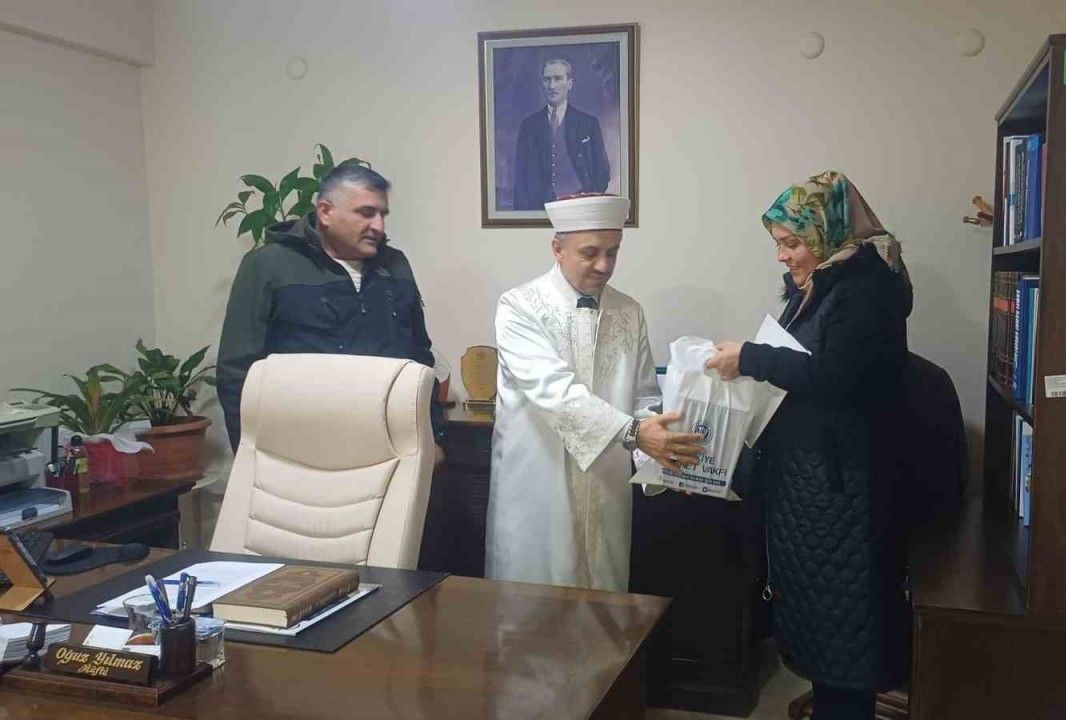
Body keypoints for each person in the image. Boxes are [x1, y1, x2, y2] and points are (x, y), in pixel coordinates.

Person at [705, 171, 913, 720]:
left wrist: (751, 358)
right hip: (815, 488)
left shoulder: (863, 290)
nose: (782, 256)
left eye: (792, 242)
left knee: (845, 639)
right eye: (778, 244)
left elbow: (835, 375)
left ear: (828, 232)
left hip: (845, 492)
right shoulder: (824, 282)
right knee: (825, 633)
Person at [486, 193, 702, 592]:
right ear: (557, 248)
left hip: (606, 483)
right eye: (590, 253)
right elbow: (553, 390)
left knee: (604, 603)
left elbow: (644, 397)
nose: (604, 265)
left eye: (613, 252)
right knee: (531, 603)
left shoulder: (628, 311)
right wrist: (635, 432)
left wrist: (666, 453)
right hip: (538, 482)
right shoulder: (519, 306)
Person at [216, 163, 446, 456]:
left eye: (382, 214)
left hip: (391, 449)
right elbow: (237, 371)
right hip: (301, 452)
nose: (379, 226)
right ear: (325, 212)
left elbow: (420, 358)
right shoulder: (268, 266)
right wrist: (251, 454)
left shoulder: (395, 264)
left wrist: (433, 436)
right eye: (366, 213)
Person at [512, 58, 611, 210]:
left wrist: (587, 201)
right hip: (538, 210)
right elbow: (520, 178)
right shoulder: (529, 126)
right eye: (547, 79)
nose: (552, 86)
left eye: (558, 79)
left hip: (578, 209)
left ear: (570, 84)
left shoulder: (587, 123)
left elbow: (602, 172)